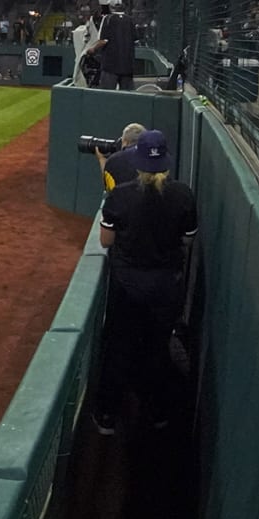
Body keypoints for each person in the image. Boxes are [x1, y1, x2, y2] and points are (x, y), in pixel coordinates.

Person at [91, 129, 198, 435]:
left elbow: (106, 240)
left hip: (127, 286)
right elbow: (187, 241)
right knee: (157, 348)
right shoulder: (183, 194)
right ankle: (157, 413)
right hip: (166, 287)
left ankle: (107, 415)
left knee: (119, 347)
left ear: (137, 161)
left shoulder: (120, 195)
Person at [85, 0, 137, 89]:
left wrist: (92, 49)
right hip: (127, 66)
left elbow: (103, 41)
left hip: (111, 66)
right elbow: (135, 39)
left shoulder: (108, 19)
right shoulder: (130, 20)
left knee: (107, 96)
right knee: (128, 97)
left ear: (111, 7)